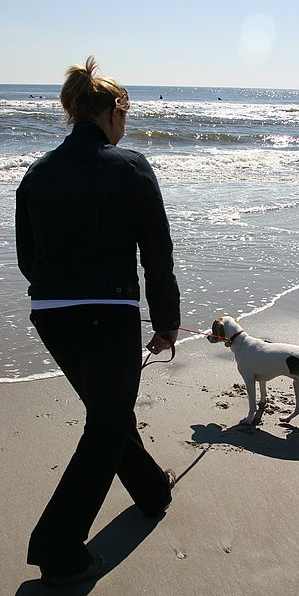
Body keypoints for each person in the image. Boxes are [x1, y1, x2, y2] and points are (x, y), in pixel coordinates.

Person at [15, 56, 180, 586]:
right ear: (112, 111)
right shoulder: (130, 166)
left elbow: (26, 258)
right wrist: (167, 320)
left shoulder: (36, 174)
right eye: (125, 113)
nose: (125, 123)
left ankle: (152, 490)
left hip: (51, 313)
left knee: (109, 411)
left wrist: (58, 291)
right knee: (108, 421)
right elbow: (157, 253)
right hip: (107, 314)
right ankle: (56, 544)